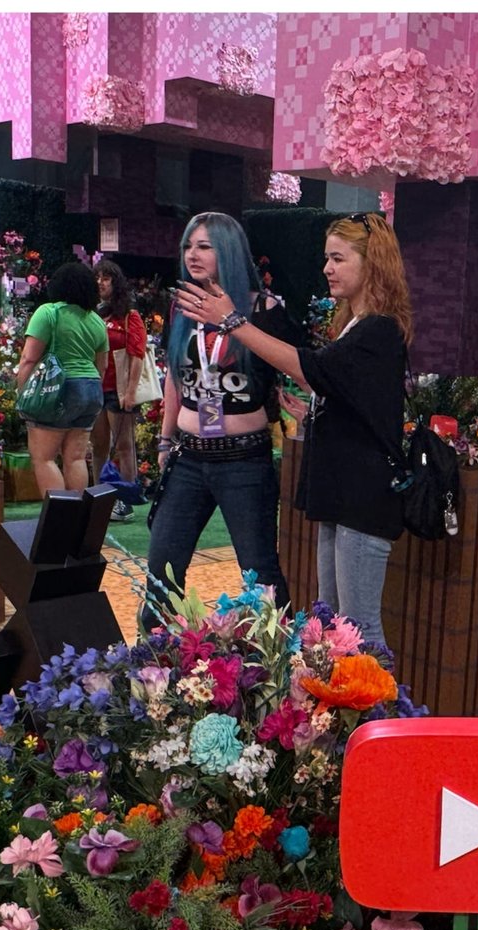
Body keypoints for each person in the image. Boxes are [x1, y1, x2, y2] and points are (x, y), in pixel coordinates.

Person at [179, 212, 412, 650]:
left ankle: (380, 717)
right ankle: (341, 716)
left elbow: (310, 366)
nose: (327, 269)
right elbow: (351, 398)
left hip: (363, 499)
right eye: (327, 258)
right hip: (342, 495)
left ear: (373, 264)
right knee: (333, 625)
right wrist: (312, 414)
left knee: (360, 630)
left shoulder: (379, 330)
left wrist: (233, 321)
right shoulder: (355, 326)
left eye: (339, 259)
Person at [142, 213, 298, 630]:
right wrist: (164, 439)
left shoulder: (265, 309)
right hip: (188, 457)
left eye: (204, 246)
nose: (192, 254)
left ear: (228, 250)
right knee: (161, 575)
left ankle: (277, 673)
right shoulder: (182, 307)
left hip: (244, 460)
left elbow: (299, 369)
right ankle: (151, 678)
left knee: (261, 573)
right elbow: (175, 375)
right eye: (188, 246)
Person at [16, 262, 109, 493]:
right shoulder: (96, 321)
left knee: (44, 458)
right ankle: (75, 520)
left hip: (58, 389)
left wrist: (22, 394)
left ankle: (57, 522)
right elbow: (103, 366)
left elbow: (29, 358)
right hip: (91, 390)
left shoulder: (48, 313)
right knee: (76, 458)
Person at [90, 259, 148, 522]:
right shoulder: (95, 314)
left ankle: (126, 501)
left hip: (120, 390)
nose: (101, 283)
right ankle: (100, 498)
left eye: (106, 278)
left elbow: (137, 355)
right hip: (97, 388)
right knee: (98, 446)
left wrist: (131, 392)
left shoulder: (130, 316)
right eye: (98, 278)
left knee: (124, 447)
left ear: (116, 282)